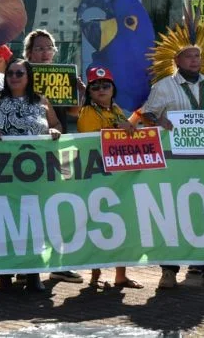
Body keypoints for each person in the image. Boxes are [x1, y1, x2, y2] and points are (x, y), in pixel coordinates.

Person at [139, 43, 204, 291]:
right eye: (189, 56)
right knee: (174, 211)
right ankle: (169, 271)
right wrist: (160, 119)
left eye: (198, 56)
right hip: (176, 161)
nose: (195, 60)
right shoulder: (163, 86)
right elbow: (146, 114)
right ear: (177, 59)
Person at [0, 58, 58, 293]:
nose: (14, 77)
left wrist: (53, 130)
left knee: (33, 223)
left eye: (19, 73)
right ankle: (5, 275)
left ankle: (32, 274)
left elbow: (56, 124)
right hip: (4, 173)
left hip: (35, 175)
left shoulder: (41, 101)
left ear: (28, 76)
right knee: (5, 223)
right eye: (10, 73)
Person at [23, 29, 84, 284]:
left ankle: (59, 264)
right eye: (39, 48)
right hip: (26, 153)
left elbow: (75, 111)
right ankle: (27, 266)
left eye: (49, 47)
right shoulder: (19, 75)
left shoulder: (63, 75)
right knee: (28, 210)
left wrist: (80, 90)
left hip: (56, 147)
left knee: (58, 207)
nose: (45, 52)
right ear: (28, 53)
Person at [76, 66, 141, 290]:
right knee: (97, 225)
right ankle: (95, 275)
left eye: (105, 85)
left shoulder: (117, 110)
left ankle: (121, 276)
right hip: (97, 177)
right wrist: (121, 130)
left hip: (119, 178)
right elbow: (92, 144)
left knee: (122, 225)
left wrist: (129, 128)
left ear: (113, 88)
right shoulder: (88, 113)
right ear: (90, 92)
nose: (101, 90)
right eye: (95, 86)